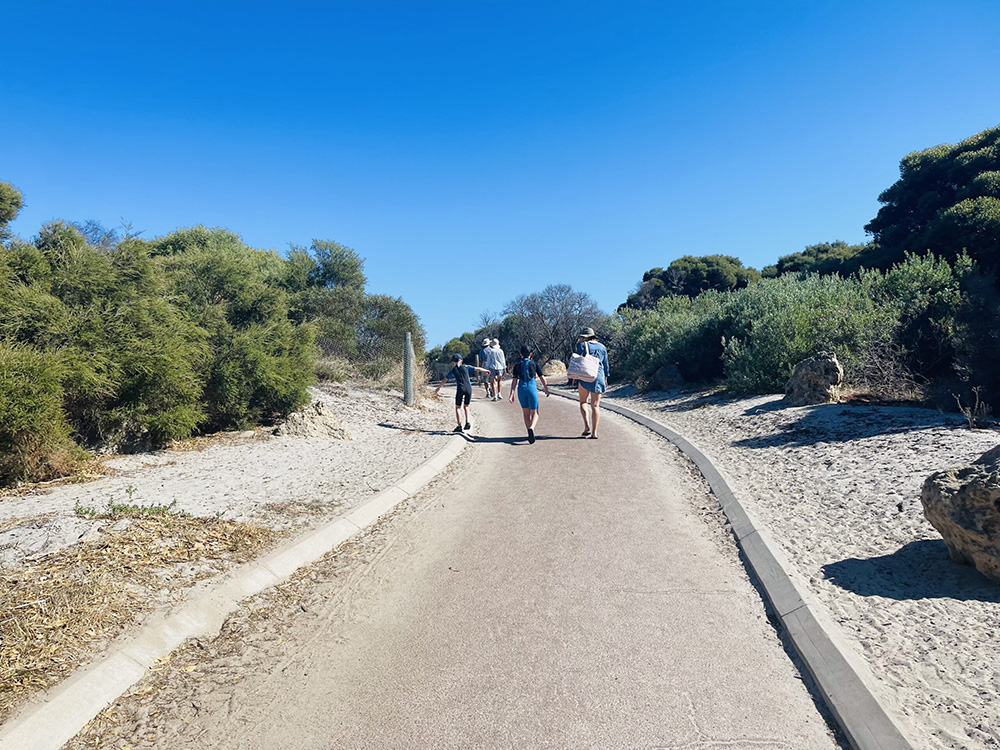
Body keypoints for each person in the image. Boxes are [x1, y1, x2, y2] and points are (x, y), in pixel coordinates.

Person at [436, 353, 490, 432]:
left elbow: (445, 380)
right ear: (461, 361)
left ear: (453, 362)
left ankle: (459, 425)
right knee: (466, 406)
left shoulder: (453, 370)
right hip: (468, 388)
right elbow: (477, 368)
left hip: (460, 389)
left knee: (458, 407)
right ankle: (467, 422)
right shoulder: (466, 367)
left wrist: (438, 388)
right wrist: (486, 370)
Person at [508, 344, 549, 444]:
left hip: (521, 389)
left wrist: (511, 394)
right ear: (531, 354)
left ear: (521, 354)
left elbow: (514, 381)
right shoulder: (534, 364)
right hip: (531, 388)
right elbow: (542, 378)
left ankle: (529, 432)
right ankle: (532, 428)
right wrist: (546, 388)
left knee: (526, 412)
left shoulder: (517, 366)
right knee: (535, 412)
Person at [575, 327, 609, 439]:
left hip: (585, 376)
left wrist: (575, 377)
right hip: (598, 376)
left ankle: (586, 426)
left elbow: (578, 362)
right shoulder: (603, 347)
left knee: (583, 402)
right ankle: (594, 433)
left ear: (585, 337)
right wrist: (606, 378)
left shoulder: (582, 346)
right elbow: (605, 364)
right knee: (595, 405)